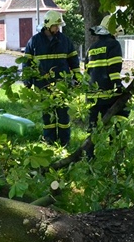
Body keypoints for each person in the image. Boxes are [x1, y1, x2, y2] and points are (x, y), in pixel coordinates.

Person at [23, 10, 81, 146]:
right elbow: (27, 62)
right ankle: (49, 141)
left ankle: (64, 141)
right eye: (56, 25)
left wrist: (77, 77)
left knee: (63, 114)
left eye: (59, 26)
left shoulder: (65, 41)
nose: (58, 28)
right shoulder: (35, 41)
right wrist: (27, 80)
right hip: (42, 84)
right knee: (47, 114)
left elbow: (74, 61)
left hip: (62, 84)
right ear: (48, 25)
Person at [84, 15, 127, 159]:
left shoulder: (92, 47)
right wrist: (119, 86)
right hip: (107, 94)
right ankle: (115, 153)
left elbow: (87, 71)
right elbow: (114, 70)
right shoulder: (113, 45)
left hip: (92, 95)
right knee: (118, 119)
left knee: (92, 126)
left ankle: (89, 155)